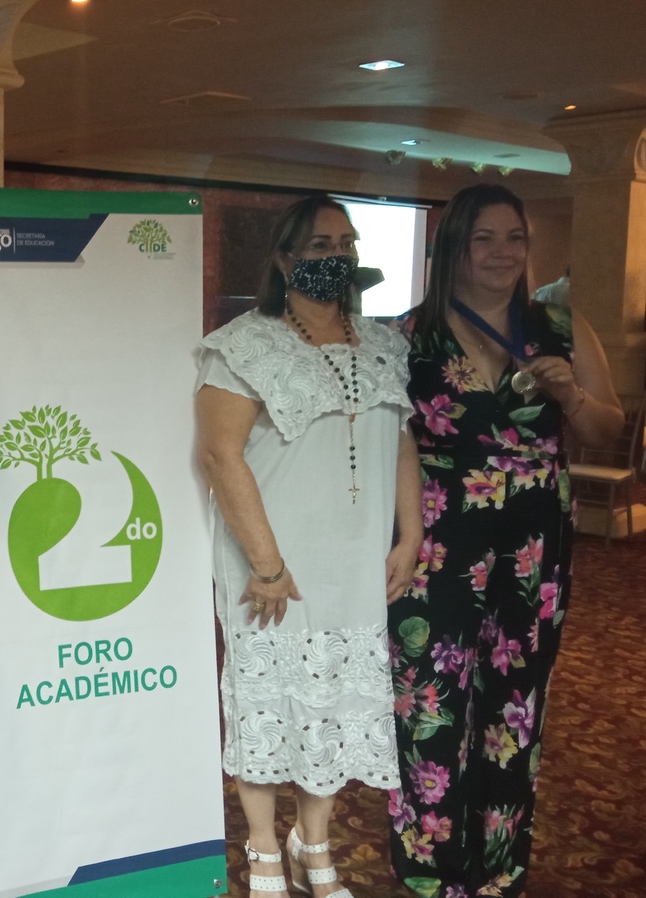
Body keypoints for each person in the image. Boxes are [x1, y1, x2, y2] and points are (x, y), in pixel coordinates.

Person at [388, 184, 622, 898]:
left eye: (514, 237)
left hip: (533, 553)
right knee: (428, 706)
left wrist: (571, 396)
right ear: (452, 247)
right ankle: (430, 873)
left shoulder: (560, 326)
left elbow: (607, 430)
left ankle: (498, 868)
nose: (502, 253)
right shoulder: (407, 336)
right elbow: (382, 443)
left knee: (514, 710)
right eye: (483, 238)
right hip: (436, 545)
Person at [196, 196, 422, 898]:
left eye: (346, 243)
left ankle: (313, 842)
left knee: (335, 708)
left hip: (352, 561)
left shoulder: (384, 344)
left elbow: (401, 439)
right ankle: (264, 845)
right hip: (272, 564)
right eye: (320, 244)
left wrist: (411, 531)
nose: (337, 256)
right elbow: (220, 454)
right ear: (283, 257)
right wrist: (267, 564)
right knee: (269, 707)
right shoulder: (243, 345)